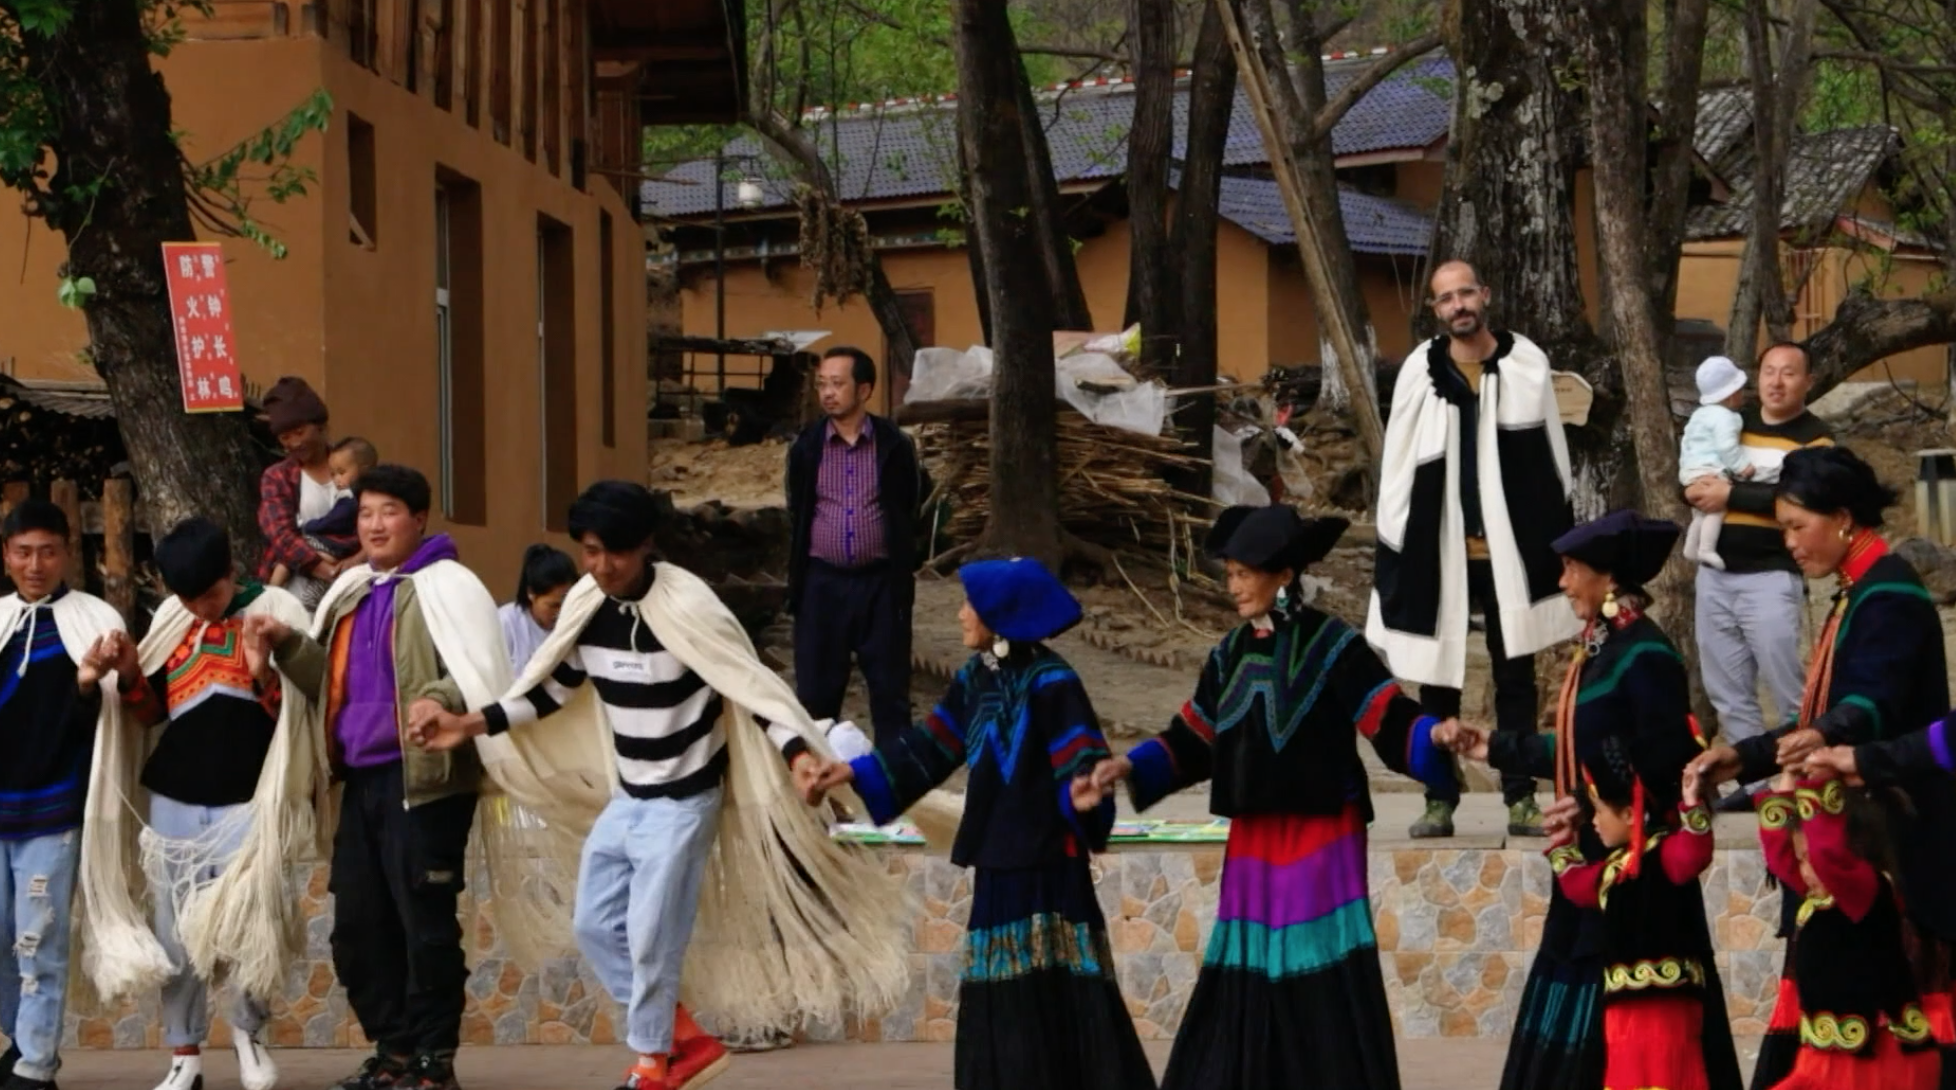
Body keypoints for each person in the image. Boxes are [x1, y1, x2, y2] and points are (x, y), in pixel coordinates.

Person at [411, 481, 914, 1090]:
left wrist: (797, 756)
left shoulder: (688, 608)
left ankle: (653, 1063)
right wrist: (468, 724)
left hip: (683, 804)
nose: (599, 567)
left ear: (645, 545)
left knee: (652, 936)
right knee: (595, 927)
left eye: (611, 553)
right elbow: (547, 691)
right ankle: (685, 1042)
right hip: (628, 802)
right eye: (589, 552)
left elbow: (750, 688)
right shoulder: (588, 608)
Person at [1088, 505, 1455, 1090]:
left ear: (1284, 575)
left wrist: (1432, 736)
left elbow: (1385, 713)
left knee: (1313, 963)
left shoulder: (1334, 645)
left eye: (1243, 573)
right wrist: (1129, 765)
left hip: (1321, 836)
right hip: (1254, 840)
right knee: (1251, 965)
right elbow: (1194, 735)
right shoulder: (1229, 653)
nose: (1233, 586)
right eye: (1229, 573)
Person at [801, 557, 1156, 1090]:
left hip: (1049, 872)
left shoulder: (1054, 683)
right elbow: (930, 747)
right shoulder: (976, 679)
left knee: (1059, 995)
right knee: (1000, 1000)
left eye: (972, 604)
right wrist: (852, 770)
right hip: (997, 865)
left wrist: (1086, 794)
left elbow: (1084, 762)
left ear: (1001, 614)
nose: (962, 614)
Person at [1438, 509, 1739, 1090]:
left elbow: (1665, 757)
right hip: (1597, 853)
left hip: (1635, 876)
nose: (1563, 582)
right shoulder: (1600, 651)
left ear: (1608, 577)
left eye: (1571, 569)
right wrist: (1493, 747)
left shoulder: (1645, 656)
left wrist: (1601, 805)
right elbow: (1582, 746)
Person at [1688, 446, 1955, 1089]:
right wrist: (1743, 756)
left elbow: (1868, 703)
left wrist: (1826, 733)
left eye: (1794, 526)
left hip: (1892, 856)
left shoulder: (1889, 595)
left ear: (1841, 518)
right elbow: (1834, 708)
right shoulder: (1857, 592)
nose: (1788, 542)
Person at [242, 464, 512, 1090]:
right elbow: (326, 688)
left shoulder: (452, 586)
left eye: (388, 511)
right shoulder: (352, 589)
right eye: (364, 513)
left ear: (419, 518)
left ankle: (431, 1061)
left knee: (425, 927)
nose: (374, 525)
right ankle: (393, 1052)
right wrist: (285, 642)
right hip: (360, 784)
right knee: (359, 930)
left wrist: (436, 699)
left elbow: (478, 673)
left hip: (427, 783)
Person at [1370, 259, 1580, 839]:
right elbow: (1401, 462)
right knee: (1439, 678)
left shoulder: (1526, 362)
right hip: (1441, 549)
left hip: (1509, 552)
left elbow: (1548, 462)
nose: (1458, 305)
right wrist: (1398, 538)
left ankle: (1519, 796)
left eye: (1466, 293)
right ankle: (1440, 795)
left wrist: (1555, 541)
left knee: (1516, 672)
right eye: (1446, 298)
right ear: (1435, 309)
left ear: (1484, 295)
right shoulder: (1419, 369)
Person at [99, 519, 312, 1090]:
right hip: (174, 800)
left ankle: (249, 1036)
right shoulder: (177, 624)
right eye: (189, 600)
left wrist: (265, 665)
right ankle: (183, 1055)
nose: (203, 609)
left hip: (249, 801)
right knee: (176, 934)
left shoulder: (277, 612)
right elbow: (151, 714)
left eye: (211, 596)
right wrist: (126, 676)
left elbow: (301, 721)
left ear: (232, 572)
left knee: (251, 926)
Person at [0, 501, 123, 1090]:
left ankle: (35, 1065)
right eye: (23, 551)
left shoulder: (92, 620)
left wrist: (85, 683)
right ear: (5, 556)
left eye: (48, 551)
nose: (35, 564)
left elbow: (114, 720)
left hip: (53, 811)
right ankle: (23, 1040)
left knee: (39, 939)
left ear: (67, 554)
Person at [1683, 343, 1834, 810]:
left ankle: (1801, 779)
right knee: (1727, 689)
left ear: (1807, 382)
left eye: (1789, 373)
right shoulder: (1731, 419)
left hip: (1772, 576)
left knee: (1789, 688)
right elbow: (1697, 471)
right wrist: (1695, 487)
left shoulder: (1816, 439)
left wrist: (1731, 495)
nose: (1776, 381)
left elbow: (1806, 500)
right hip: (1716, 576)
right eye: (1769, 371)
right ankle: (1753, 786)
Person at [1544, 741, 1729, 1090]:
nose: (1594, 822)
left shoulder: (1666, 855)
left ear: (1630, 814)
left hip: (1668, 1009)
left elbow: (1695, 851)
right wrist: (1562, 845)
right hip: (1621, 1010)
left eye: (1598, 812)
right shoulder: (1613, 870)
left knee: (1668, 1077)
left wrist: (1692, 803)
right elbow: (1578, 886)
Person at [1753, 771, 1941, 1090]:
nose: (1804, 870)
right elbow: (1779, 854)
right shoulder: (1820, 895)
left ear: (1855, 848)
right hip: (1830, 1059)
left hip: (1878, 1062)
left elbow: (1827, 857)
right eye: (1801, 859)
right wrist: (1789, 779)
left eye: (1809, 858)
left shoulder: (1867, 890)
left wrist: (1818, 782)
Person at [786, 345, 932, 744]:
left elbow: (909, 508)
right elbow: (797, 512)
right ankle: (822, 798)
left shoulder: (895, 446)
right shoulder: (806, 447)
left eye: (837, 383)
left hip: (881, 586)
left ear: (864, 390)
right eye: (822, 385)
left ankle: (895, 792)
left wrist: (904, 567)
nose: (827, 393)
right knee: (815, 699)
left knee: (890, 696)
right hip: (822, 585)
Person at [255, 377, 358, 611]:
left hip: (352, 585)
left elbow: (371, 519)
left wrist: (353, 564)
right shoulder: (277, 478)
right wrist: (325, 570)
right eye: (285, 438)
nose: (294, 443)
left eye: (299, 432)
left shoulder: (354, 468)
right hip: (296, 599)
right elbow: (281, 535)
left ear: (320, 426)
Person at [1679, 356, 1758, 570]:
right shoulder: (1726, 418)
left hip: (1690, 470)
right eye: (1740, 391)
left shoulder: (1699, 415)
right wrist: (1742, 466)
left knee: (1700, 512)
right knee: (1716, 509)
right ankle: (1706, 549)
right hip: (1711, 469)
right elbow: (1727, 447)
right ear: (1731, 396)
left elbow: (1686, 441)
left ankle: (1690, 547)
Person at [270, 435, 376, 590]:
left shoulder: (351, 497)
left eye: (341, 472)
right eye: (333, 474)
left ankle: (272, 589)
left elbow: (334, 520)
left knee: (289, 558)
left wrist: (309, 526)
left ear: (364, 470)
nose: (336, 479)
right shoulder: (356, 494)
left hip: (338, 545)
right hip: (343, 547)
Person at [497, 544, 577, 675]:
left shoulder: (576, 625)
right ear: (531, 594)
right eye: (553, 605)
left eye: (568, 605)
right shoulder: (506, 623)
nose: (561, 613)